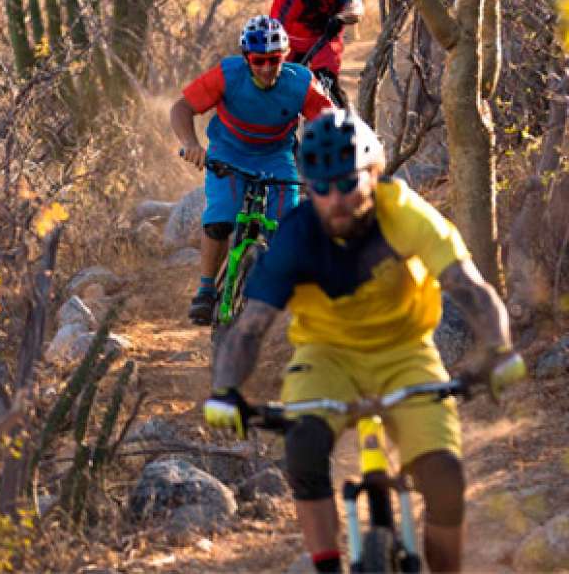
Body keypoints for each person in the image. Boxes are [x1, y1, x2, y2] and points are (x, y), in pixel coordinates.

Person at [203, 111, 525, 573]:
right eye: (320, 187)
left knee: (444, 478)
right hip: (325, 356)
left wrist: (499, 349)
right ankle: (328, 564)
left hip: (406, 352)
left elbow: (468, 287)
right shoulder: (296, 234)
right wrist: (226, 390)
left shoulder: (406, 214)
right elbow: (252, 325)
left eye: (346, 183)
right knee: (305, 451)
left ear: (372, 175)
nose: (334, 199)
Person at [171, 15, 333, 326]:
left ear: (284, 56)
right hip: (229, 153)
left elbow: (329, 125)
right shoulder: (228, 74)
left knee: (287, 225)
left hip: (275, 155)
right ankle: (206, 291)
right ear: (247, 58)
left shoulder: (300, 82)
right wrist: (191, 144)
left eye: (274, 59)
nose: (267, 68)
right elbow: (181, 108)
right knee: (221, 217)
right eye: (259, 60)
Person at [270, 0, 364, 108]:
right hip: (291, 45)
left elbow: (356, 7)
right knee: (279, 90)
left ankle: (347, 125)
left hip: (325, 39)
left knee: (325, 83)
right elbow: (273, 31)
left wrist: (341, 18)